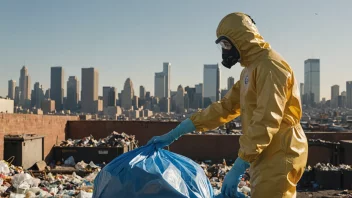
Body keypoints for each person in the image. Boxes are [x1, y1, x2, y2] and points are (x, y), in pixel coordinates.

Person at [147, 12, 308, 198]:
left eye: (226, 44)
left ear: (242, 40)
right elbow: (225, 107)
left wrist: (239, 165)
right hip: (264, 153)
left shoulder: (270, 66)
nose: (225, 51)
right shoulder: (250, 69)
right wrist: (177, 132)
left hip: (281, 152)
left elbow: (266, 120)